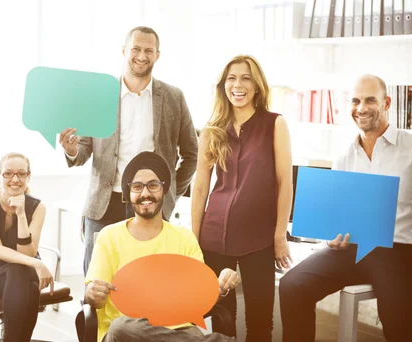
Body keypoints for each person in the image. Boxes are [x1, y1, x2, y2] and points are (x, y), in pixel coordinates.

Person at [279, 74, 412, 342]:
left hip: (402, 252)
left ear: (386, 103)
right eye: (355, 101)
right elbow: (339, 216)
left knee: (401, 330)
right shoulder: (344, 156)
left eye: (370, 100)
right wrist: (333, 237)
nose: (361, 108)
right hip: (352, 249)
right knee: (292, 285)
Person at [59, 26, 198, 275]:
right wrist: (71, 150)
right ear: (124, 51)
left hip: (152, 203)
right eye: (136, 49)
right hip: (104, 203)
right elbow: (83, 151)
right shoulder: (100, 95)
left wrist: (170, 192)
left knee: (149, 280)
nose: (141, 56)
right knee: (97, 279)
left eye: (148, 50)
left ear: (157, 55)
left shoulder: (173, 97)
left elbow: (191, 154)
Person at [85, 151, 240, 342]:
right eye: (137, 187)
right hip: (127, 336)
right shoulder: (109, 236)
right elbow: (95, 300)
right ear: (129, 192)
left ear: (164, 189)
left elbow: (200, 301)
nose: (145, 193)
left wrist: (220, 286)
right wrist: (92, 295)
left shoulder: (184, 238)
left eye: (153, 185)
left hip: (178, 330)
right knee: (120, 326)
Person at [191, 55, 293, 341]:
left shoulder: (275, 124)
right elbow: (200, 188)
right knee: (221, 317)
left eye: (245, 78)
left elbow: (285, 182)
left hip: (258, 239)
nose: (238, 85)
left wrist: (279, 235)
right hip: (214, 237)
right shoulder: (211, 131)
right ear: (223, 86)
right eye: (231, 78)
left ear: (257, 86)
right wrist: (194, 239)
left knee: (260, 321)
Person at [0, 152, 54, 342]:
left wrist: (21, 214)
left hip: (21, 274)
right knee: (29, 286)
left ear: (28, 177)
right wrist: (37, 264)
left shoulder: (38, 207)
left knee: (19, 270)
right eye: (8, 173)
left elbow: (27, 252)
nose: (15, 179)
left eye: (21, 174)